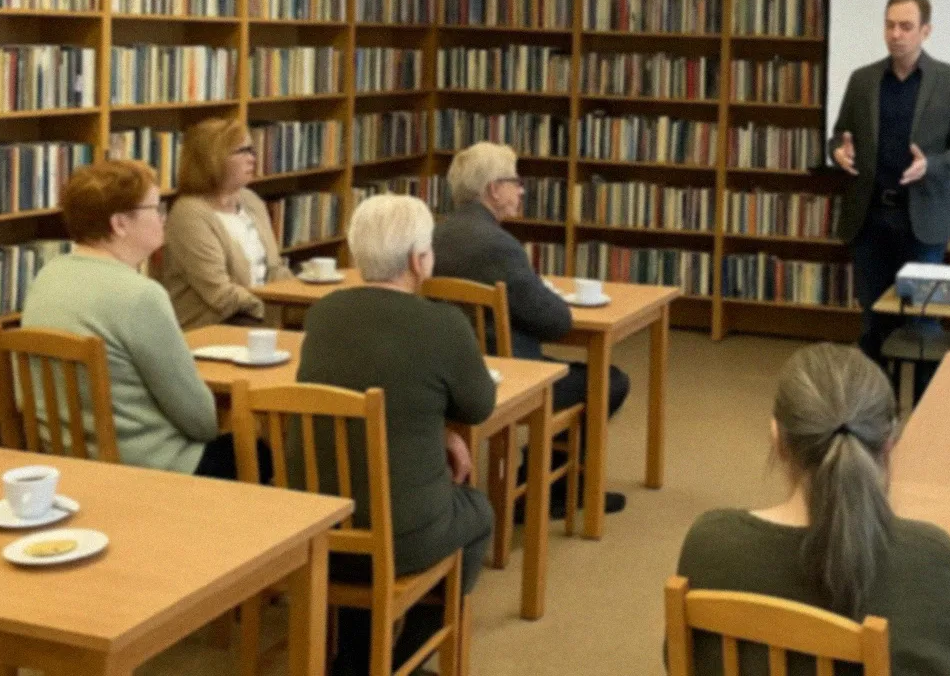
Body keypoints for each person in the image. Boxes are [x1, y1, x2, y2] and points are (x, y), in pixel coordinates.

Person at [677, 343, 950, 676]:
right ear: (888, 444)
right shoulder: (931, 561)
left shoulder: (710, 544)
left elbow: (681, 660)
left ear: (778, 439)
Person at [295, 194, 496, 676]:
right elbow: (478, 406)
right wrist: (446, 428)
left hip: (318, 527)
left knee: (364, 486)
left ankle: (356, 656)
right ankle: (400, 658)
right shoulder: (444, 324)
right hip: (402, 539)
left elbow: (364, 396)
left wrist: (437, 429)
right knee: (478, 513)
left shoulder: (324, 314)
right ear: (417, 260)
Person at [21, 159, 259, 479]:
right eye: (155, 208)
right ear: (120, 223)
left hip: (63, 462)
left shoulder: (46, 278)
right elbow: (201, 422)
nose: (163, 218)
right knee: (265, 449)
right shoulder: (140, 296)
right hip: (148, 469)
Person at [431, 141, 630, 517]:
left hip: (451, 373)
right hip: (507, 375)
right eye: (515, 182)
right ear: (494, 189)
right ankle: (555, 488)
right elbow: (555, 322)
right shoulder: (499, 245)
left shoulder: (433, 237)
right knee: (609, 381)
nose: (521, 191)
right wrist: (546, 295)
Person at [829, 0, 950, 389]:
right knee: (873, 321)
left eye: (906, 26)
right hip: (870, 217)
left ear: (925, 31)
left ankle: (926, 408)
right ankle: (876, 409)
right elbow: (839, 135)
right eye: (890, 25)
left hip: (922, 221)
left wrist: (932, 165)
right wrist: (839, 152)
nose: (895, 34)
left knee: (923, 323)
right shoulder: (863, 80)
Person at [162, 118, 292, 330]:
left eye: (252, 150)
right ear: (212, 160)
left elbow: (275, 269)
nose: (252, 158)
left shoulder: (251, 200)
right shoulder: (189, 214)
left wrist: (302, 297)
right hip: (215, 325)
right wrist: (274, 310)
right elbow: (220, 295)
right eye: (243, 151)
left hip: (260, 316)